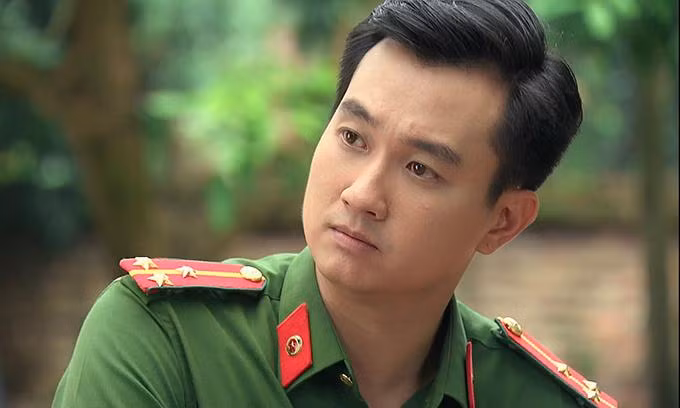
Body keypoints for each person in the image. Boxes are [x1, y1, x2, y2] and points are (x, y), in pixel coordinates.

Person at [53, 0, 618, 407]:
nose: (362, 194)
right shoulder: (163, 339)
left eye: (420, 169)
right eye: (353, 138)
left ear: (503, 221)